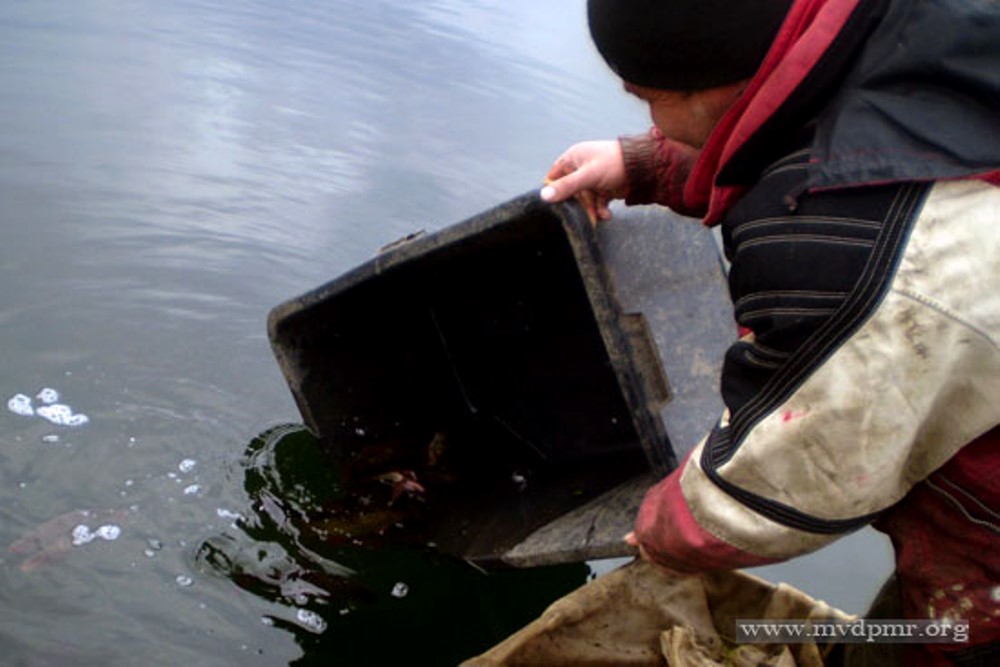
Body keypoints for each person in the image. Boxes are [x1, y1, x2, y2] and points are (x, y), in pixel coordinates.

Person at [541, 1, 999, 665]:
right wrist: (647, 164)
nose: (651, 120)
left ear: (710, 88)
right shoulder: (905, 20)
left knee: (942, 641)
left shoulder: (866, 273)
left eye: (648, 99)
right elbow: (828, 125)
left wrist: (666, 526)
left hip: (985, 567)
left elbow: (783, 482)